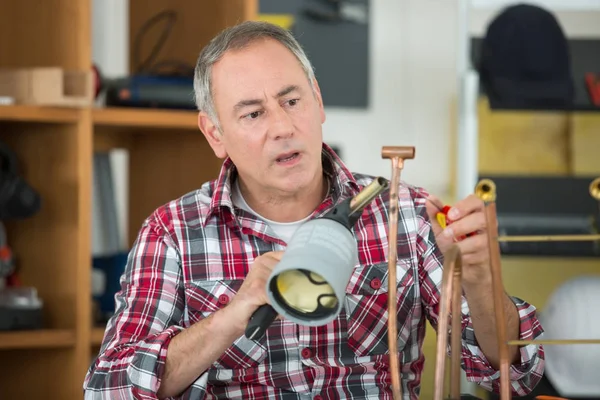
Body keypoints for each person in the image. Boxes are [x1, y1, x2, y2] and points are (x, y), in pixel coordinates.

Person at [83, 21, 544, 399]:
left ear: (318, 101)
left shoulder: (405, 211)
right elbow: (109, 390)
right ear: (215, 134)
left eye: (291, 100)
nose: (283, 126)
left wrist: (482, 278)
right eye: (253, 114)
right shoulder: (173, 232)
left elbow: (516, 374)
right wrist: (231, 315)